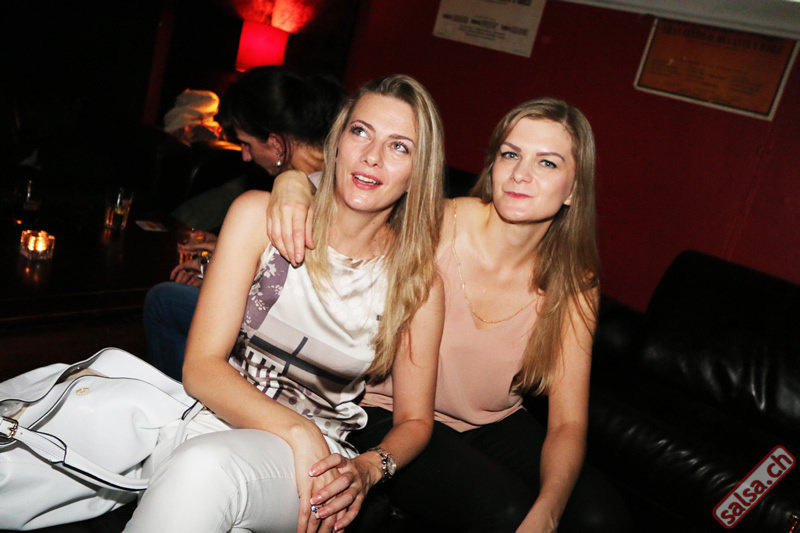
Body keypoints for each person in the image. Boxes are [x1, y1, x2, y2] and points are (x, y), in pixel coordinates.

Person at [266, 97, 632, 532]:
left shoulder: (574, 281)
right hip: (388, 412)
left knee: (601, 519)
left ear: (573, 189)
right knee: (505, 512)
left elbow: (568, 422)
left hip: (490, 421)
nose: (521, 174)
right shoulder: (433, 223)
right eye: (510, 155)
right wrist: (291, 181)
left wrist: (549, 511)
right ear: (492, 167)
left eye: (547, 163)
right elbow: (354, 194)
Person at [123, 74, 445, 533]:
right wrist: (297, 430)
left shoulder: (417, 282)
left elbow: (415, 420)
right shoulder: (257, 215)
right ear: (337, 143)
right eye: (360, 132)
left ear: (419, 171)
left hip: (315, 462)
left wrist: (370, 469)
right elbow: (201, 367)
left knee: (204, 469)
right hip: (219, 416)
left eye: (399, 147)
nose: (372, 156)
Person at [144, 66, 347, 381]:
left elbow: (295, 286)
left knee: (163, 301)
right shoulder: (331, 174)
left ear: (277, 144)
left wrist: (213, 271)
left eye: (246, 143)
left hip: (295, 332)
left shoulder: (296, 195)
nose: (245, 156)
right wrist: (228, 251)